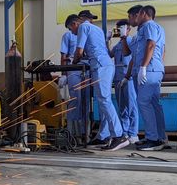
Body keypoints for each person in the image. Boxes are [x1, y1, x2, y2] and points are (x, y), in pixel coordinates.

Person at [68, 15, 128, 151]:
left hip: (101, 66)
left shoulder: (84, 27)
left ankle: (119, 136)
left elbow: (79, 51)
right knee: (103, 101)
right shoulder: (96, 29)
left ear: (75, 23)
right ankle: (106, 136)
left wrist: (74, 61)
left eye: (71, 29)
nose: (72, 32)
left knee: (104, 101)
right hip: (105, 65)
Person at [125, 5, 167, 151]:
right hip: (152, 69)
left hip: (148, 70)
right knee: (154, 104)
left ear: (142, 13)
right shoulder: (153, 28)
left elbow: (151, 45)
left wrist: (144, 67)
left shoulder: (149, 25)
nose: (131, 19)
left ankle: (153, 139)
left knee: (143, 102)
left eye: (132, 16)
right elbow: (162, 50)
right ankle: (160, 137)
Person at [109, 18, 140, 145]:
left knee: (132, 106)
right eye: (119, 28)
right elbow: (108, 54)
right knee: (122, 107)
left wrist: (124, 37)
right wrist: (107, 40)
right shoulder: (117, 45)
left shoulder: (131, 41)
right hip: (118, 78)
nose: (120, 30)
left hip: (129, 77)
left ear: (128, 29)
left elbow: (131, 56)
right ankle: (125, 132)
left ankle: (133, 133)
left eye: (123, 27)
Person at [60, 16, 87, 139]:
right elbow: (64, 55)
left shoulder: (86, 32)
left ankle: (84, 133)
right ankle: (71, 133)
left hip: (85, 69)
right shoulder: (68, 36)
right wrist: (63, 74)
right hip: (73, 70)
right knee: (75, 100)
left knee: (85, 102)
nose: (72, 31)